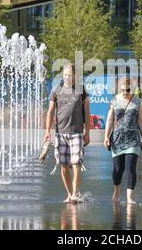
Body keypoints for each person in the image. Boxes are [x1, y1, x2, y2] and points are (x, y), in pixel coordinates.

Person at [44, 63, 90, 203]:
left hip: (76, 133)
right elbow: (51, 112)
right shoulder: (56, 90)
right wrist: (47, 131)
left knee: (76, 163)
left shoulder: (81, 90)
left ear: (75, 76)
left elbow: (87, 112)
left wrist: (87, 132)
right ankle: (69, 194)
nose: (67, 78)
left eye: (70, 75)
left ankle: (75, 194)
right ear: (62, 75)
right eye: (65, 75)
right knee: (63, 166)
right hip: (60, 133)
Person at [104, 76, 142, 204]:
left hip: (133, 140)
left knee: (130, 168)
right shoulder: (114, 101)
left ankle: (130, 198)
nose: (125, 93)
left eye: (128, 90)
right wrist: (106, 136)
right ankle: (116, 192)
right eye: (123, 90)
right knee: (118, 169)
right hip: (117, 140)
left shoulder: (137, 101)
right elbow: (110, 119)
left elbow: (140, 121)